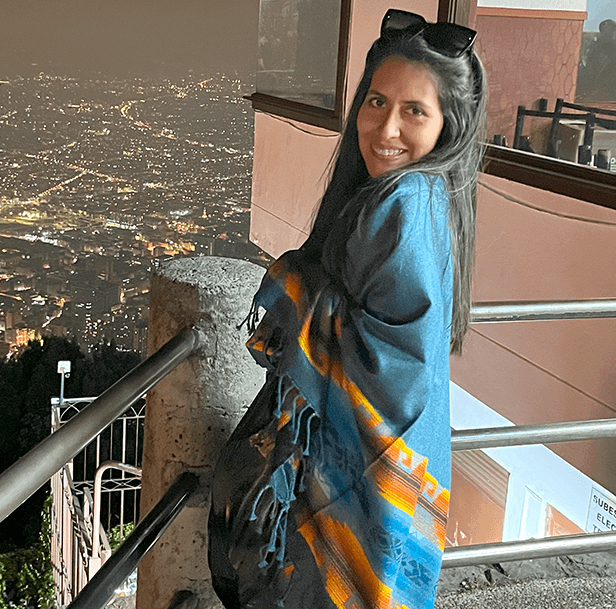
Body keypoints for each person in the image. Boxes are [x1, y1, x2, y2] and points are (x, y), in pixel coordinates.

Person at [208, 9, 486, 609]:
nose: (386, 128)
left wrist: (295, 288)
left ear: (449, 125)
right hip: (407, 458)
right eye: (377, 102)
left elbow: (391, 364)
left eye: (415, 110)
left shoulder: (402, 204)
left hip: (366, 464)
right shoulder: (436, 196)